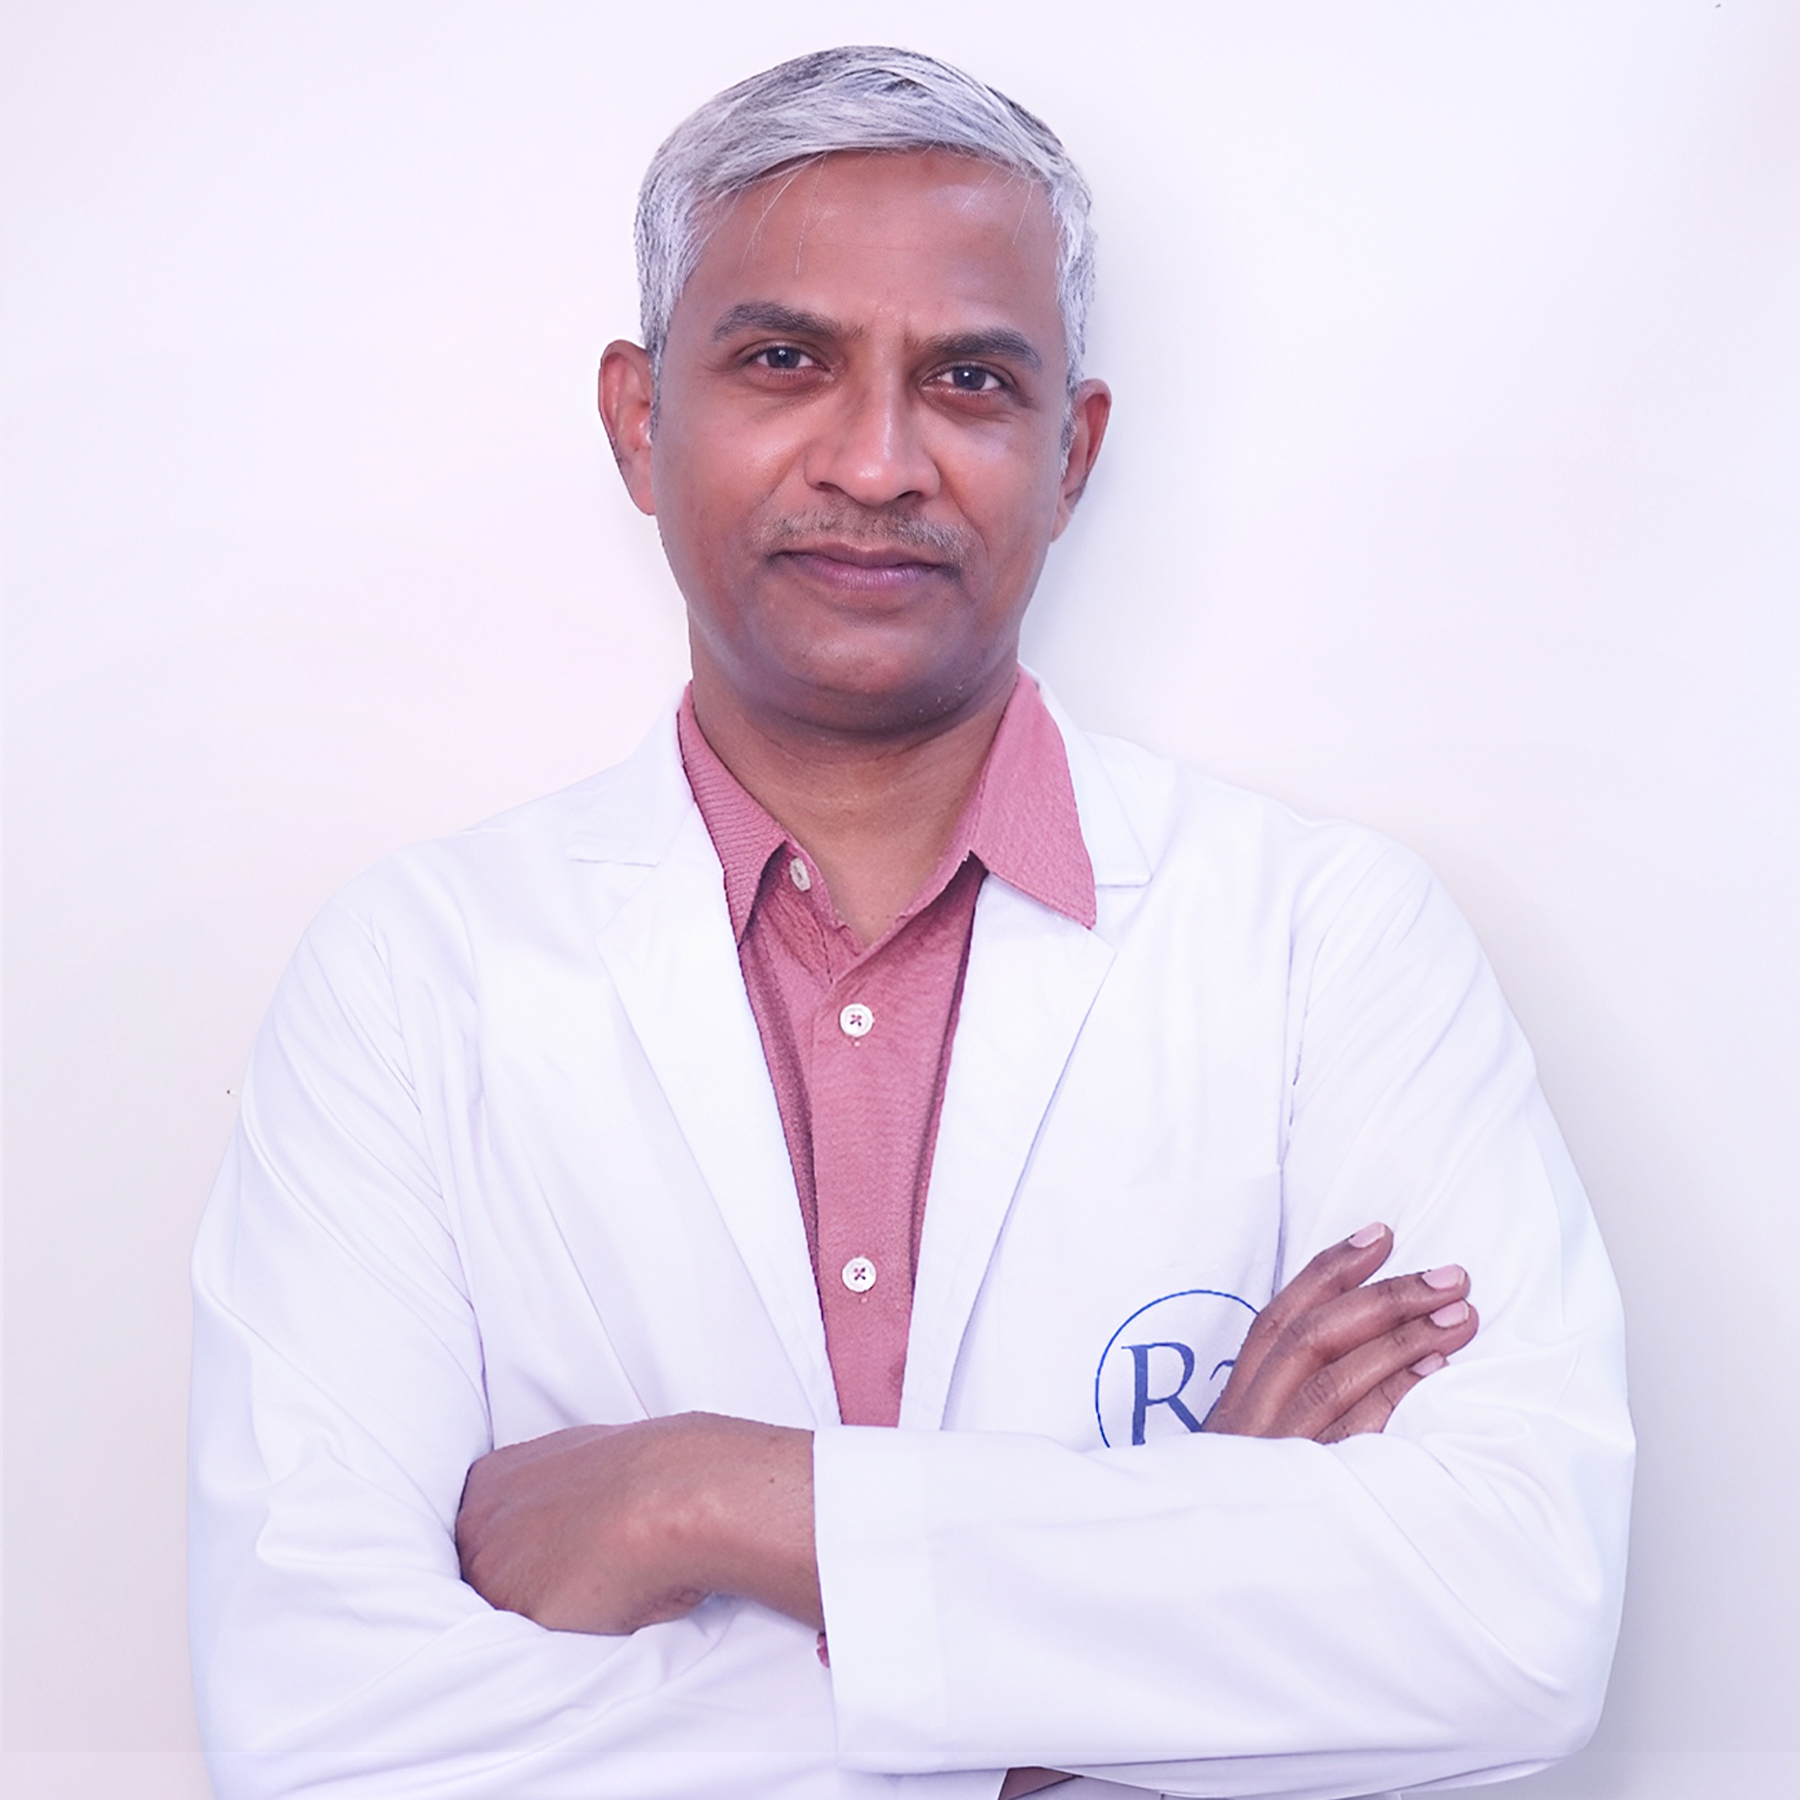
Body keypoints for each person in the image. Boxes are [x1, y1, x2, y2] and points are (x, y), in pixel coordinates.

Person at [188, 45, 1633, 1800]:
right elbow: (321, 1724)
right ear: (641, 421)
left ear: (1071, 451)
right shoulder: (413, 977)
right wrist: (1136, 1644)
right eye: (784, 361)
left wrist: (699, 1497)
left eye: (968, 380)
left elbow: (1512, 1624)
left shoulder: (1334, 943)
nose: (878, 462)